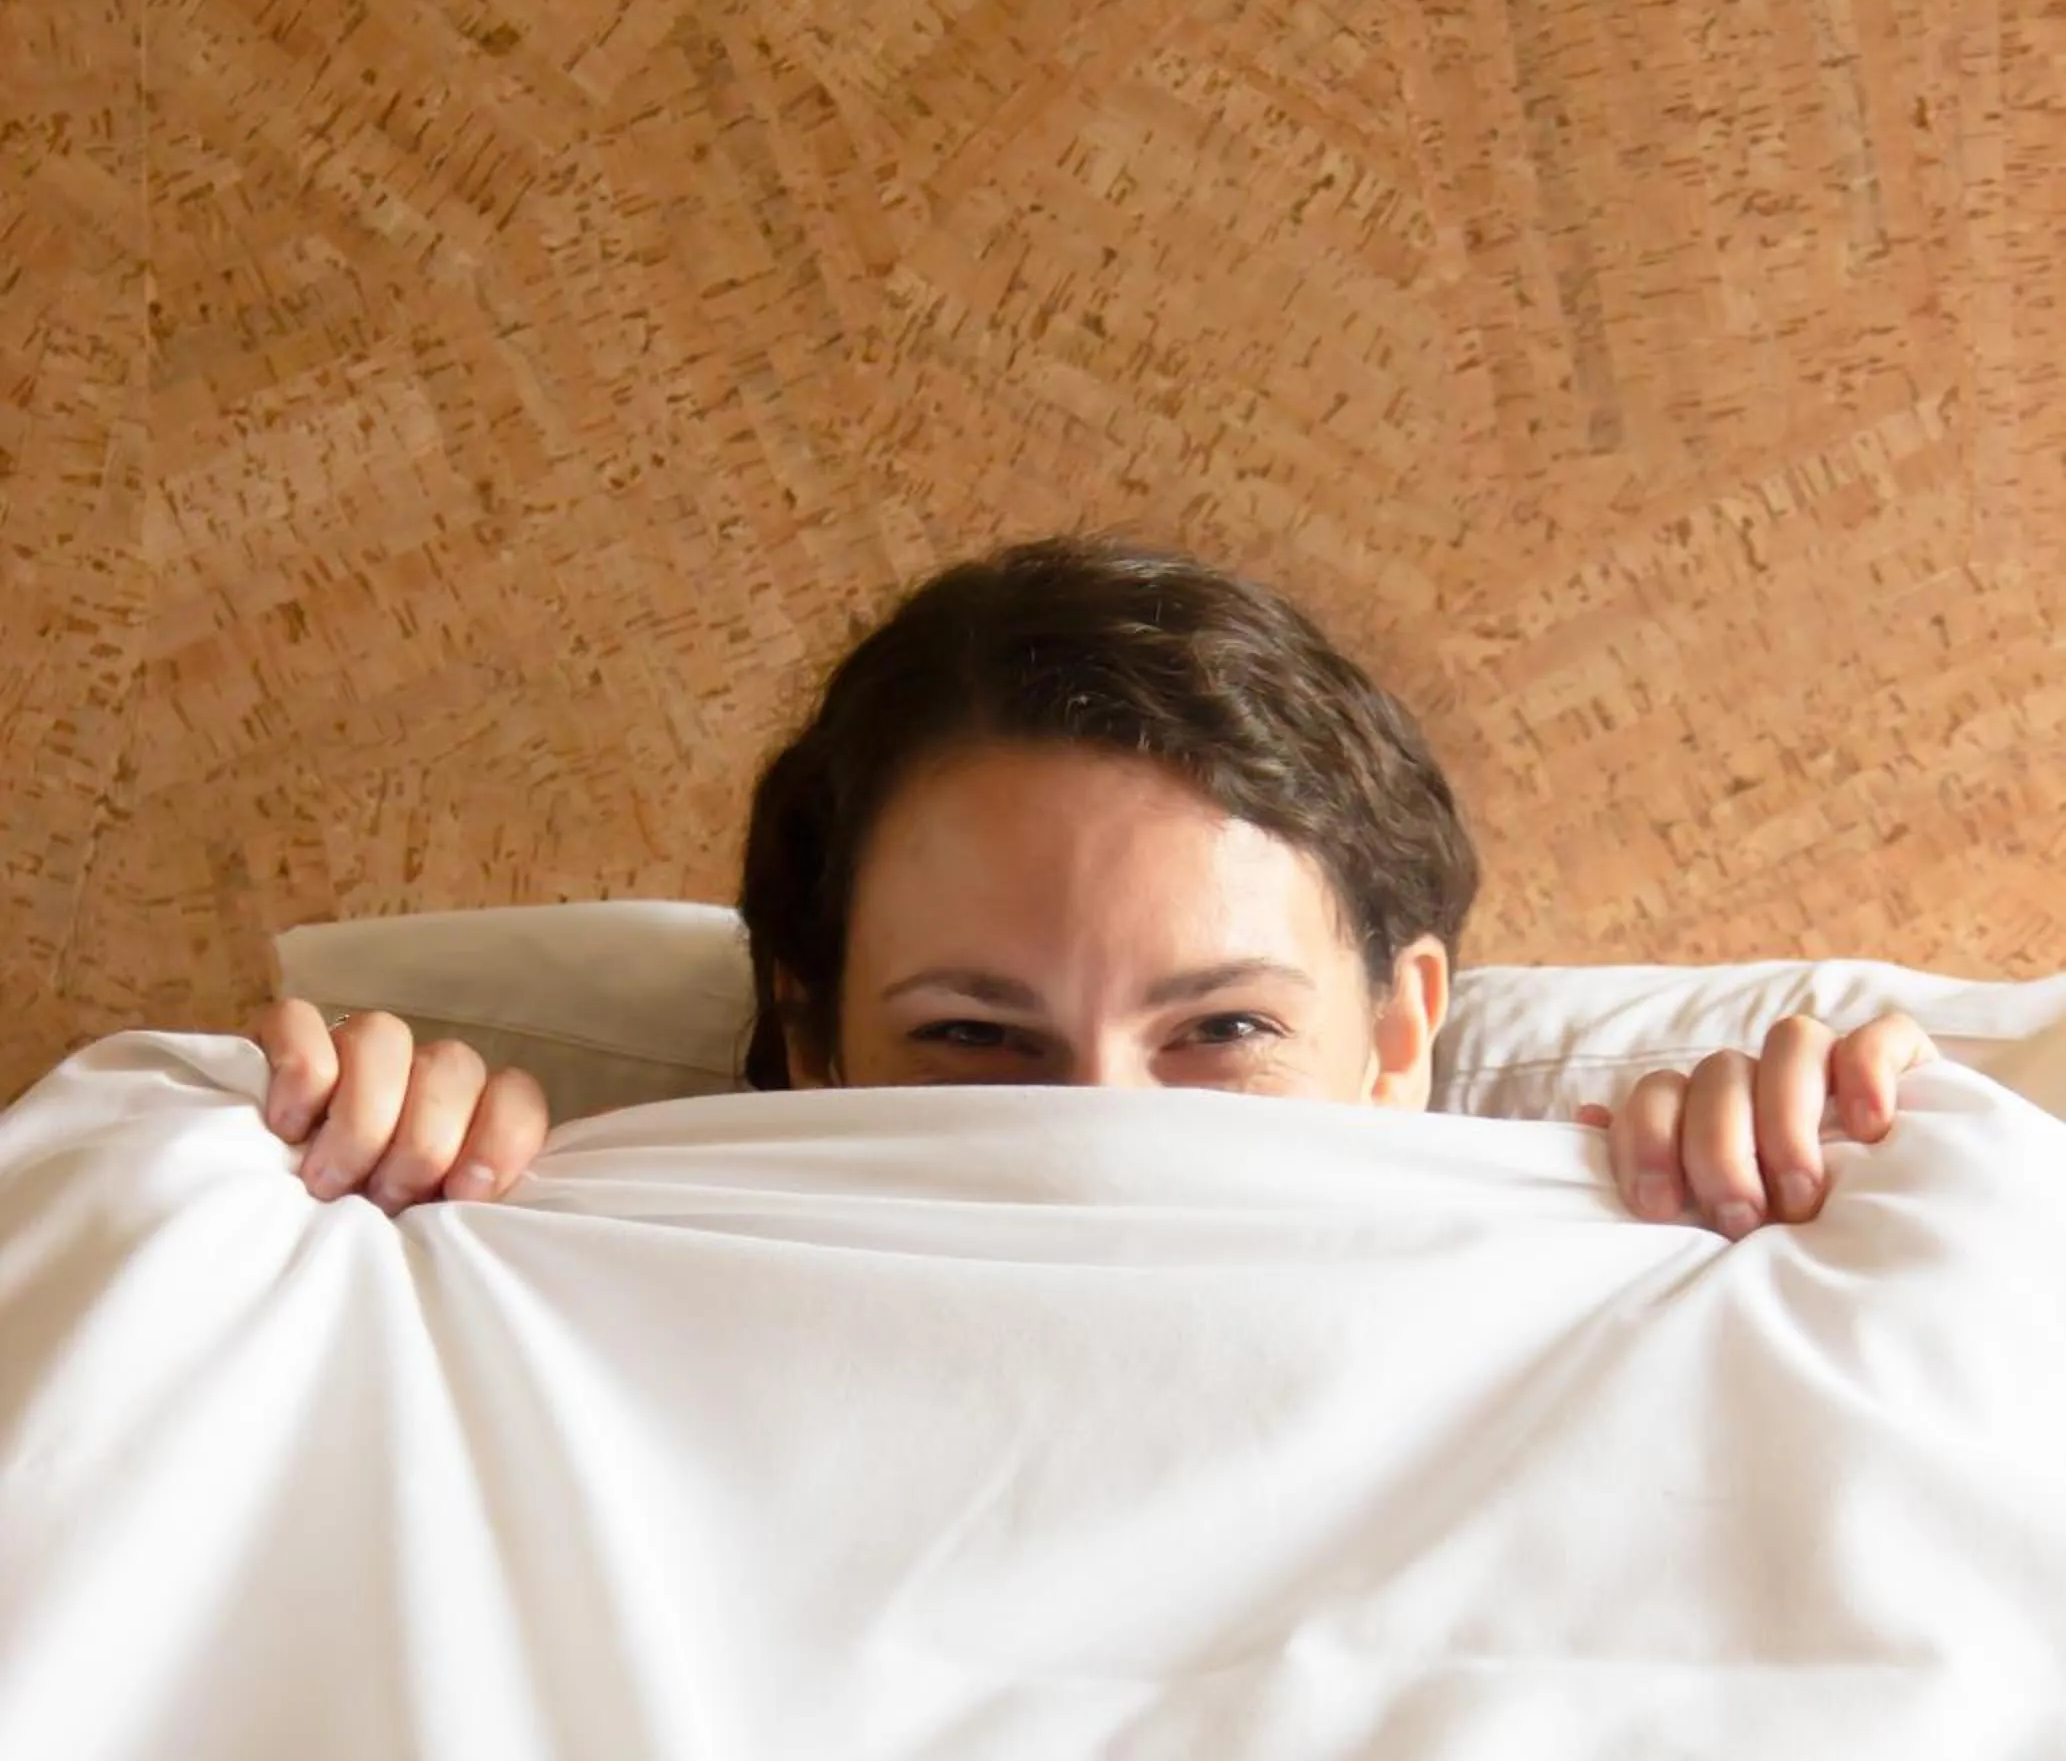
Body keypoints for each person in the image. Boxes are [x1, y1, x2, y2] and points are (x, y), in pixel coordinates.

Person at [249, 532, 1938, 1234]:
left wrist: (1837, 1209)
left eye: (1219, 1030)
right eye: (977, 1041)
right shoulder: (578, 1273)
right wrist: (337, 1192)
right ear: (812, 1038)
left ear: (1400, 1031)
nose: (1105, 1130)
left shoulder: (1628, 1264)